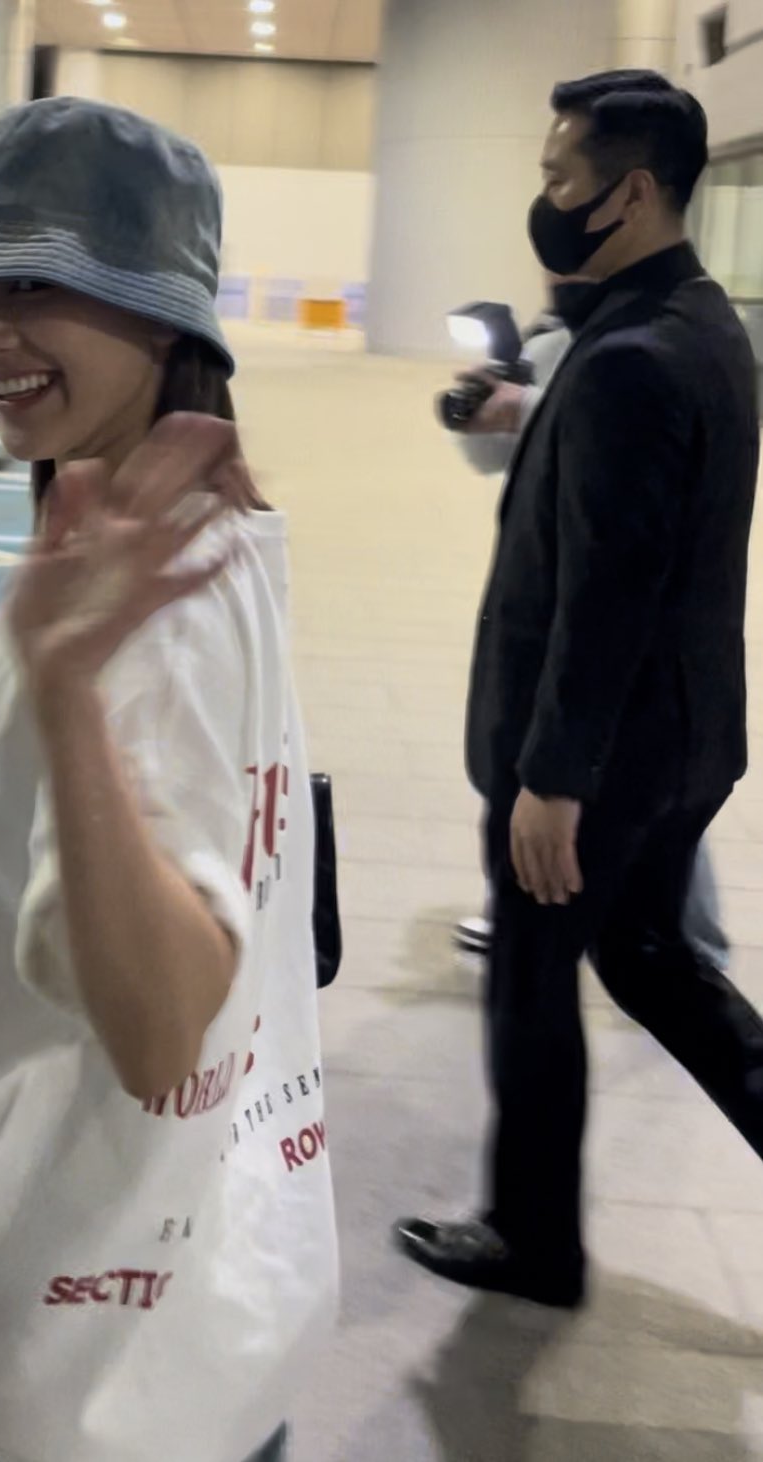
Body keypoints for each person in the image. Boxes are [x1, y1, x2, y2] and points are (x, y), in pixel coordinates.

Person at [0, 99, 337, 1462]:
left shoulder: (140, 616)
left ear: (164, 314)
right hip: (141, 1306)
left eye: (36, 285)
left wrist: (66, 696)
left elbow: (161, 1031)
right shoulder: (208, 532)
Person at [395, 70, 763, 1309]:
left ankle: (533, 1240)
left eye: (561, 176)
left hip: (600, 760)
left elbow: (609, 591)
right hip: (684, 739)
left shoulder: (633, 358)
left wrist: (553, 779)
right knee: (651, 955)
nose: (545, 197)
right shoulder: (701, 324)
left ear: (633, 191)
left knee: (534, 974)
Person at [449, 283, 731, 974]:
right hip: (540, 580)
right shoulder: (556, 333)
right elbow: (494, 454)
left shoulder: (665, 334)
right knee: (521, 763)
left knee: (640, 785)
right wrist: (491, 404)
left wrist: (528, 408)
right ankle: (523, 905)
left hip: (624, 605)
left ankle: (684, 937)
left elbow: (630, 440)